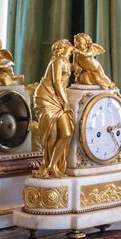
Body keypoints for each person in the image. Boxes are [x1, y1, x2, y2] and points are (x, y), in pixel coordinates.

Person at [33, 39, 75, 178]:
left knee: (66, 133)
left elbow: (67, 73)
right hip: (46, 97)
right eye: (69, 47)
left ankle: (52, 165)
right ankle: (48, 165)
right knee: (52, 134)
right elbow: (57, 82)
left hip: (58, 98)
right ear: (63, 48)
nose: (71, 49)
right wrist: (65, 101)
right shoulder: (57, 61)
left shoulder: (66, 63)